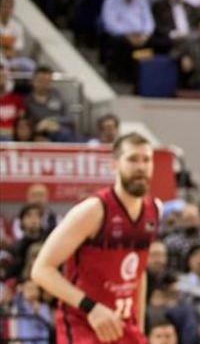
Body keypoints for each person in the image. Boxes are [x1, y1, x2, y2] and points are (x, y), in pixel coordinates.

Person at [31, 133, 162, 343]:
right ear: (114, 165)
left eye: (146, 160)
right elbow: (41, 270)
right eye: (132, 159)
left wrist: (138, 326)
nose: (141, 167)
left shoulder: (155, 209)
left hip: (122, 324)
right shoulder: (93, 210)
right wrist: (91, 308)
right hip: (83, 322)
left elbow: (139, 272)